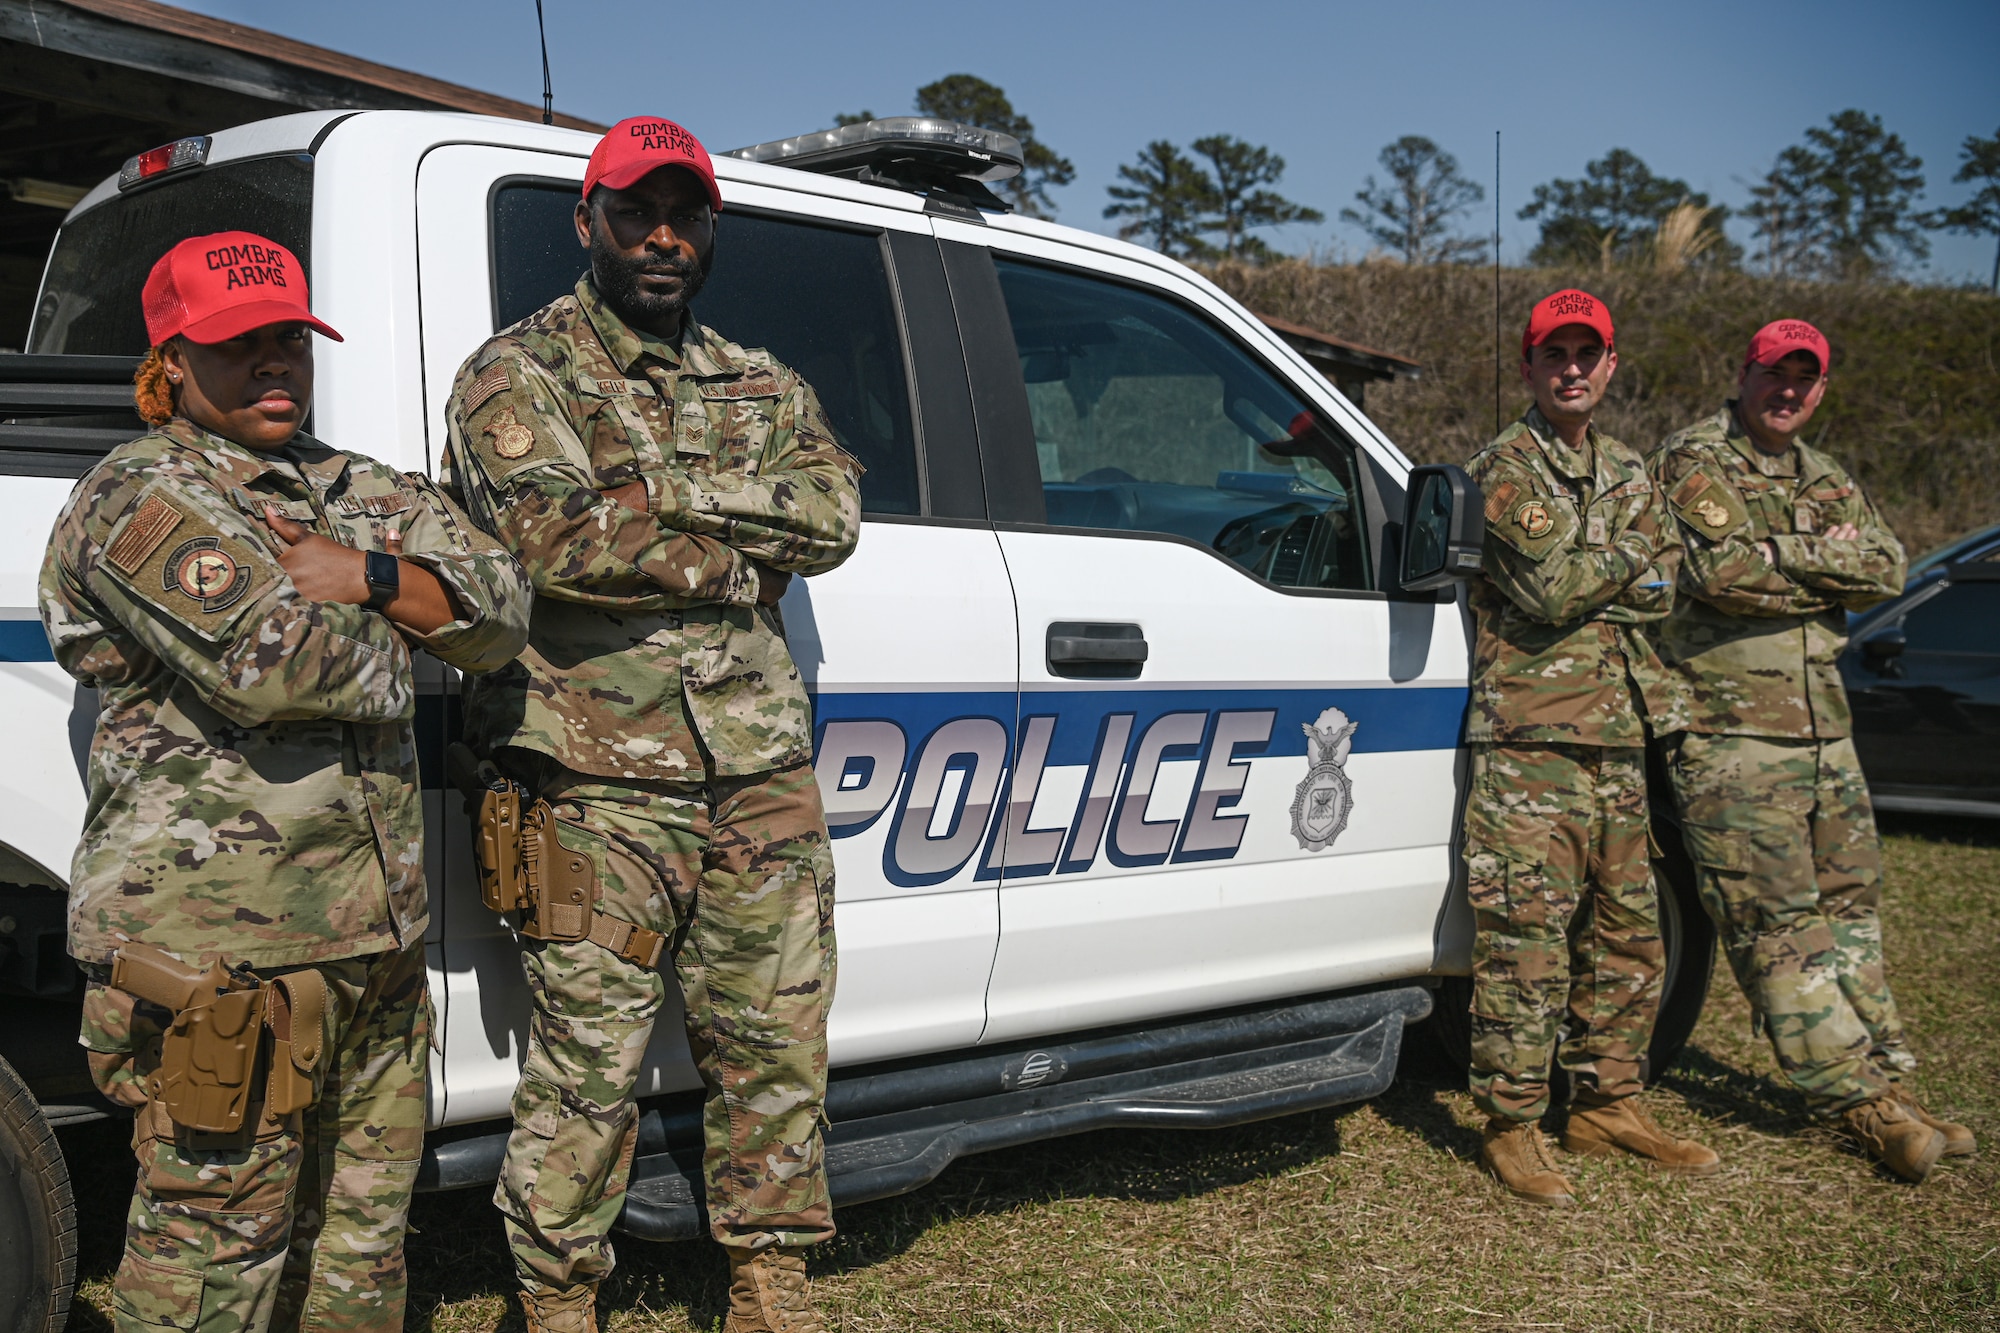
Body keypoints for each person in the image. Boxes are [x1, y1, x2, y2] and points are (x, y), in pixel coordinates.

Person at [39, 231, 531, 1332]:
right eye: (237, 344)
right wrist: (415, 633)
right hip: (221, 953)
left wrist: (367, 573)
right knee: (216, 1248)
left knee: (360, 1237)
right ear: (170, 361)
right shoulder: (136, 495)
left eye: (288, 342)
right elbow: (275, 665)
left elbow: (503, 609)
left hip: (376, 935)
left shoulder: (353, 486)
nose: (273, 364)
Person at [439, 116, 862, 1333]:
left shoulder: (761, 378)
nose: (661, 236)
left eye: (684, 214)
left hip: (755, 770)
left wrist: (662, 490)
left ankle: (770, 1280)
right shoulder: (515, 374)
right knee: (587, 1064)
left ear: (710, 229)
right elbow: (550, 540)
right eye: (635, 211)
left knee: (775, 1038)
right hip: (589, 775)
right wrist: (739, 561)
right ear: (588, 222)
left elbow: (829, 518)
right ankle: (559, 1297)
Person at [1648, 319, 1975, 1181]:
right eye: (1773, 373)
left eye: (1805, 377)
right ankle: (1855, 1102)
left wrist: (1776, 556)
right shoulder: (1694, 460)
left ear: (1820, 389)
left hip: (1824, 731)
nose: (1787, 390)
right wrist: (1815, 557)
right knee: (1776, 924)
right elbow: (1714, 573)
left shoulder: (1827, 474)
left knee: (1850, 910)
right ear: (1745, 373)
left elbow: (1886, 567)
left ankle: (1891, 1077)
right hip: (1732, 733)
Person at [1461, 289, 1719, 1207]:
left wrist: (1612, 561)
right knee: (1526, 942)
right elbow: (1551, 589)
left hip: (1617, 733)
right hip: (1530, 742)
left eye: (1589, 353)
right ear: (1528, 368)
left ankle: (1608, 1102)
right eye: (1554, 353)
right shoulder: (1501, 468)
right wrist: (1626, 553)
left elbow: (1669, 585)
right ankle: (1514, 1123)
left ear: (1611, 367)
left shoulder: (1628, 464)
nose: (1572, 368)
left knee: (1628, 935)